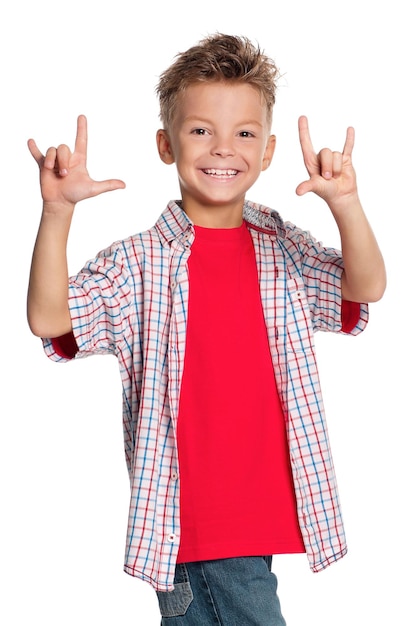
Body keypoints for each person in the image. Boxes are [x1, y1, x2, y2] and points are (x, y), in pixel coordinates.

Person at [27, 33, 386, 625]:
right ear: (166, 144)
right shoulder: (138, 263)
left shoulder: (284, 249)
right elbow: (50, 319)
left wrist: (346, 202)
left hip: (260, 525)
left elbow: (363, 288)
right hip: (198, 534)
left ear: (268, 151)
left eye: (244, 133)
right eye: (201, 130)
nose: (224, 148)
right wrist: (59, 212)